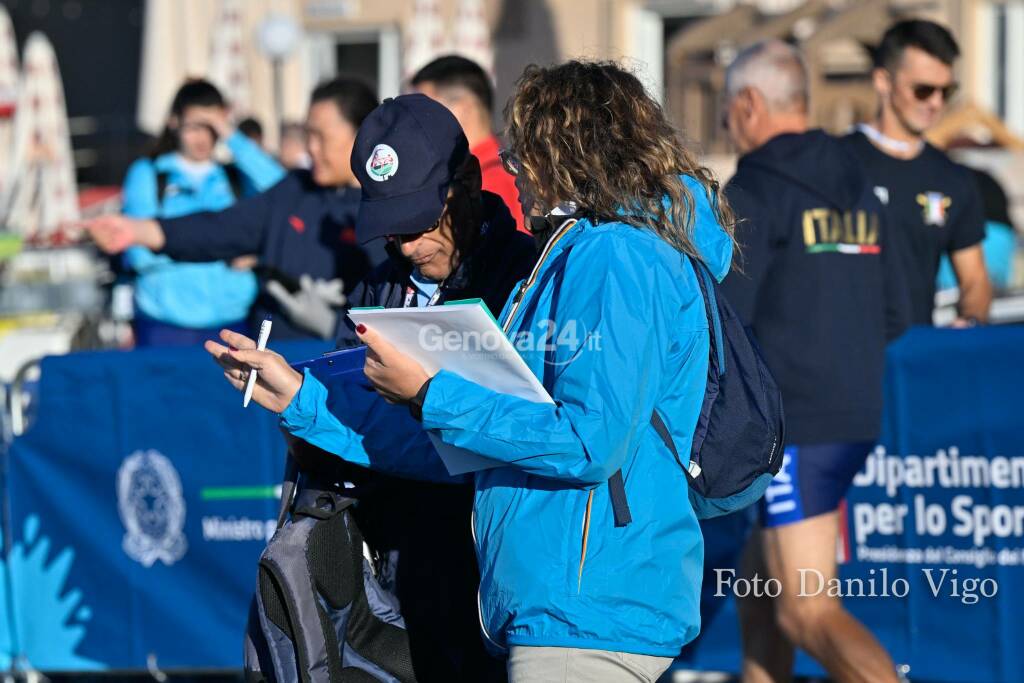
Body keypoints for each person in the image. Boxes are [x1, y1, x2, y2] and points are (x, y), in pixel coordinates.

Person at [208, 60, 735, 683]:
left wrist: (431, 394)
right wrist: (303, 401)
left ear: (563, 151)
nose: (511, 168)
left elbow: (588, 441)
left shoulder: (610, 254)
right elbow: (466, 446)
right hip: (538, 598)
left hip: (583, 602)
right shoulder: (586, 251)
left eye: (521, 151)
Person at [301, 94, 535, 681]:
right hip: (400, 580)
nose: (407, 246)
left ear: (469, 186)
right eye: (391, 228)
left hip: (500, 580)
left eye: (421, 222)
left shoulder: (527, 278)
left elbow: (545, 435)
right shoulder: (381, 287)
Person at [720, 41, 909, 683]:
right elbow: (897, 308)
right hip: (853, 415)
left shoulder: (754, 187)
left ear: (748, 105)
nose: (725, 125)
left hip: (797, 427)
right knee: (759, 596)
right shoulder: (860, 178)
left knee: (805, 611)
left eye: (726, 111)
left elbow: (725, 315)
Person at [87, 78, 385, 341]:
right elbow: (219, 229)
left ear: (363, 135)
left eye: (321, 137)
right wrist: (140, 230)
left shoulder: (387, 210)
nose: (310, 148)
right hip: (275, 362)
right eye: (308, 135)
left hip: (344, 372)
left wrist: (336, 326)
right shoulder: (295, 190)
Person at [843, 19, 992, 326]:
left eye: (946, 91)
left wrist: (972, 319)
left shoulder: (954, 178)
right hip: (842, 360)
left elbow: (975, 280)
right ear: (883, 81)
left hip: (914, 356)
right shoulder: (836, 162)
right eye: (924, 90)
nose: (936, 103)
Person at [120, 79, 284, 346]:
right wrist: (218, 250)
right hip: (164, 325)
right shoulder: (149, 174)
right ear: (174, 122)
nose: (203, 138)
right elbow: (138, 252)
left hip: (232, 323)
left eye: (212, 128)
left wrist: (232, 137)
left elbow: (285, 193)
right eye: (194, 126)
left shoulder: (234, 177)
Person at [411, 55, 525, 232]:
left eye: (424, 110)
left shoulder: (490, 182)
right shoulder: (498, 171)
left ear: (463, 107)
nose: (414, 122)